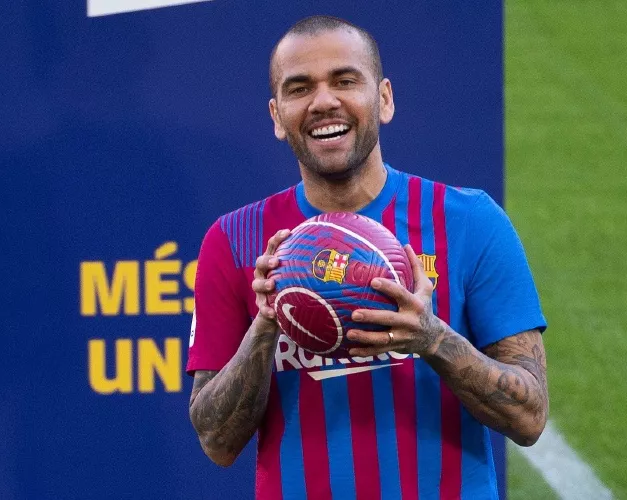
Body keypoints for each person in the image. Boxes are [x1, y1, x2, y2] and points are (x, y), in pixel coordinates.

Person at [187, 15, 548, 500]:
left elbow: (529, 416)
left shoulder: (470, 221)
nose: (323, 102)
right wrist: (266, 325)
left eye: (344, 81)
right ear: (277, 116)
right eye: (299, 88)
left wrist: (432, 339)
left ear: (384, 99)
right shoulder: (233, 240)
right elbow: (216, 441)